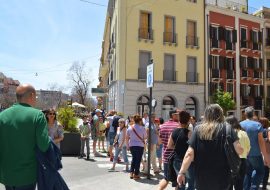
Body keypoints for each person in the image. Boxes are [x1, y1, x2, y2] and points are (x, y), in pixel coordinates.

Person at [177, 104, 243, 190]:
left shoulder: (198, 129)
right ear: (221, 114)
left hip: (202, 177)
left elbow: (189, 154)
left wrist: (181, 172)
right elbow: (239, 150)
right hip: (222, 177)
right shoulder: (227, 128)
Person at [0, 84, 50, 190]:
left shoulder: (2, 116)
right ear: (32, 95)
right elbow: (44, 146)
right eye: (35, 97)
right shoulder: (38, 115)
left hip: (6, 175)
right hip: (27, 176)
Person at [240, 107, 270, 190]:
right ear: (253, 114)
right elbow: (261, 141)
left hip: (244, 154)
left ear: (245, 114)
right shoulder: (257, 125)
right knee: (260, 172)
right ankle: (253, 188)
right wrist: (265, 157)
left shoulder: (240, 124)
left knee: (247, 172)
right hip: (255, 153)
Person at [168, 110, 193, 190]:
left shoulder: (174, 132)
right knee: (191, 184)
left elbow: (169, 146)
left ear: (179, 120)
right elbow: (192, 148)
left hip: (176, 160)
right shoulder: (190, 133)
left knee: (181, 184)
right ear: (188, 120)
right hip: (186, 162)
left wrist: (178, 146)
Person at [226, 115, 250, 190]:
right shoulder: (243, 133)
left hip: (230, 161)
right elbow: (248, 148)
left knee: (228, 185)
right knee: (239, 185)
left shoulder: (227, 134)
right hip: (242, 160)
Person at [158, 110, 180, 190]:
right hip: (176, 157)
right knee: (178, 180)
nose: (179, 116)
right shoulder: (178, 126)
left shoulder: (163, 126)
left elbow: (160, 142)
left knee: (166, 178)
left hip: (166, 156)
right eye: (177, 115)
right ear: (173, 115)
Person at [126, 114, 147, 180]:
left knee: (134, 159)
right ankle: (136, 174)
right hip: (140, 145)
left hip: (132, 145)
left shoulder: (130, 128)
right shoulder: (142, 128)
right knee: (138, 160)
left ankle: (131, 172)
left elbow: (127, 138)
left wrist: (127, 146)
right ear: (140, 121)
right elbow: (145, 137)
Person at [259, 117, 270, 190]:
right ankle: (264, 185)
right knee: (266, 169)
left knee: (265, 169)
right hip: (266, 152)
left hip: (264, 152)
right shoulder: (266, 130)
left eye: (260, 122)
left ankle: (264, 185)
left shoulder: (263, 130)